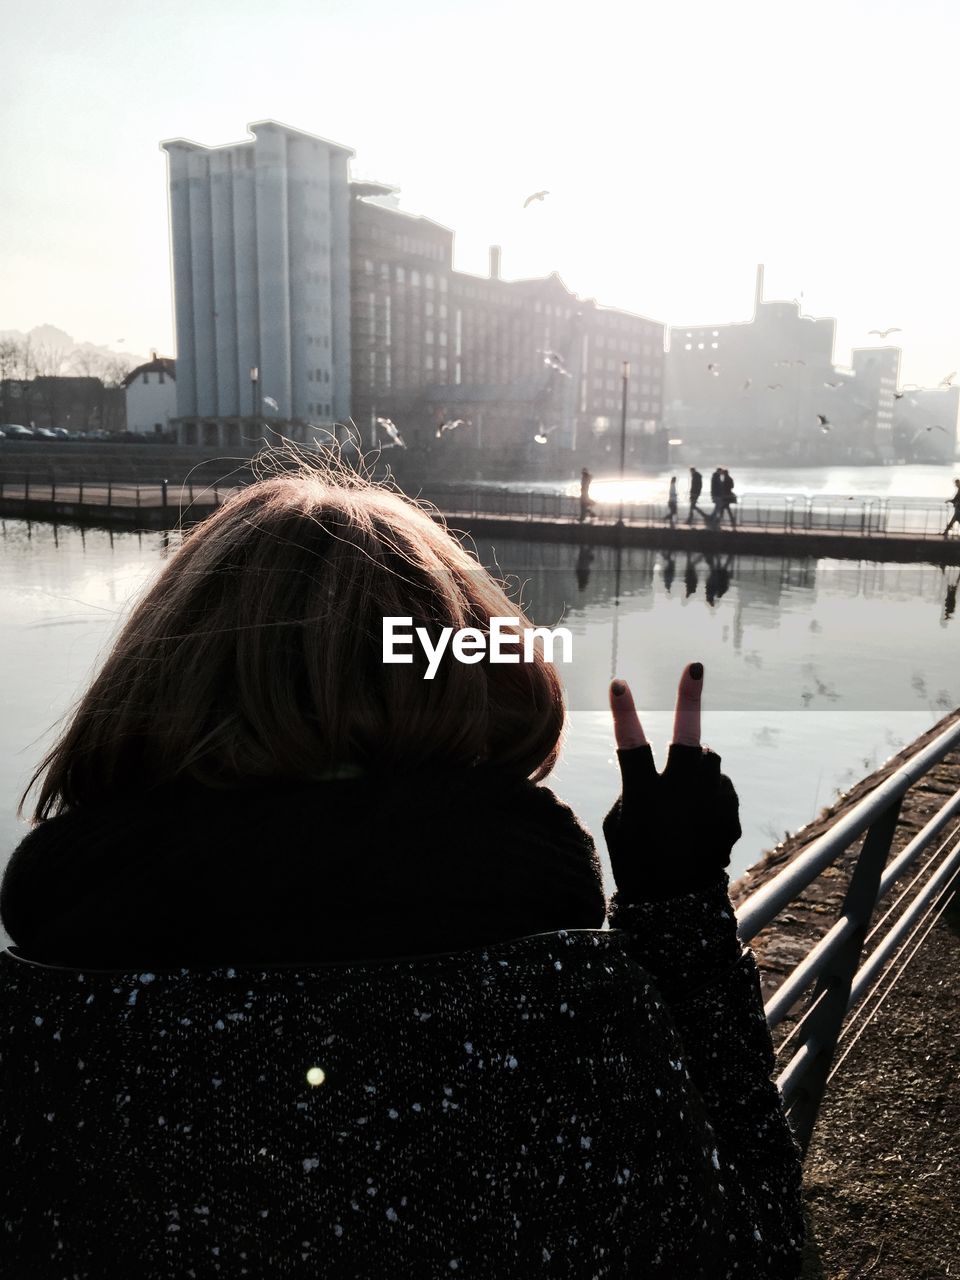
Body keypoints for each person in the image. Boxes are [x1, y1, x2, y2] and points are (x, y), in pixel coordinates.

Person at [0, 462, 804, 1278]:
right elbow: (757, 1249)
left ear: (152, 685)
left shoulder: (33, 1029)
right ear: (477, 700)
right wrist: (679, 909)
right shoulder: (567, 1004)